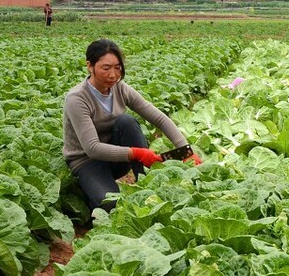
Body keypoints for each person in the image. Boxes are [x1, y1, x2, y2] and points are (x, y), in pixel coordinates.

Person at [63, 38, 199, 216]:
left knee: (126, 122)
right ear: (90, 66)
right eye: (106, 68)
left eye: (117, 67)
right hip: (86, 161)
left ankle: (147, 183)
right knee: (112, 205)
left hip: (115, 160)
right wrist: (137, 153)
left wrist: (185, 150)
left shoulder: (120, 88)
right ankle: (89, 190)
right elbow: (92, 148)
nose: (113, 74)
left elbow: (158, 117)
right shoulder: (77, 98)